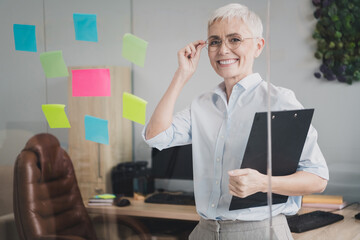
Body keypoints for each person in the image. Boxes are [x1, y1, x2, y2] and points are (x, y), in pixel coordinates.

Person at [142, 3, 329, 240]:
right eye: (215, 41)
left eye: (235, 39)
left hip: (259, 231)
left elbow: (318, 178)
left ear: (258, 46)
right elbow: (156, 136)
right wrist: (181, 76)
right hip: (205, 231)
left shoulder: (280, 101)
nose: (223, 50)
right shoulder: (202, 104)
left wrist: (262, 183)